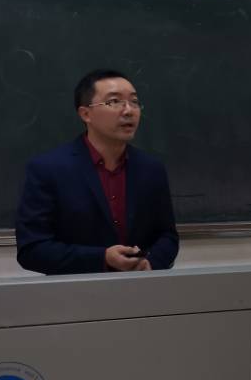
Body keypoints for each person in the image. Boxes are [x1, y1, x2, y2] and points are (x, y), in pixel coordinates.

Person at [15, 69, 179, 275]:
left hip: (141, 288)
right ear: (86, 114)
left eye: (134, 102)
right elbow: (32, 249)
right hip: (76, 291)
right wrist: (103, 258)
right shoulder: (48, 169)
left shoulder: (151, 169)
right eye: (114, 102)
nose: (129, 110)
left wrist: (151, 263)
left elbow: (167, 236)